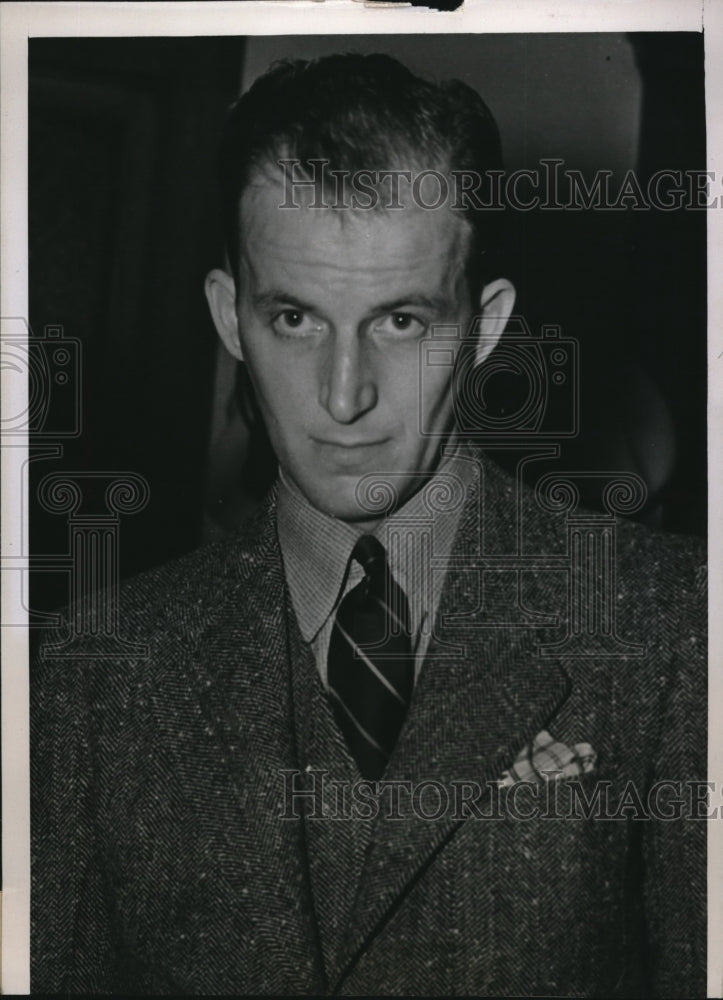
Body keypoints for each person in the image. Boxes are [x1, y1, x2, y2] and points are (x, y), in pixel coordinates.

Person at [31, 53, 706, 996]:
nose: (341, 398)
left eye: (398, 321)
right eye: (296, 318)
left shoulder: (680, 629)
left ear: (485, 324)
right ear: (231, 318)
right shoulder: (83, 684)